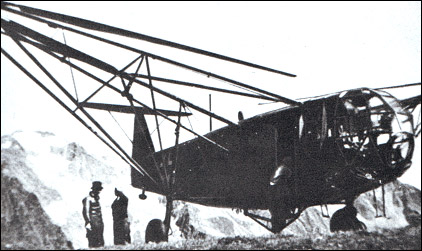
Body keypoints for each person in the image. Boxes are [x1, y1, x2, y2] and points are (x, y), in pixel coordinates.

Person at [82, 181, 104, 248]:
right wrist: (88, 222)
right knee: (93, 242)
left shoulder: (97, 198)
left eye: (99, 190)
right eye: (97, 190)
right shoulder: (88, 199)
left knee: (100, 241)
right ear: (94, 189)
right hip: (92, 222)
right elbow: (85, 212)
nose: (99, 191)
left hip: (99, 222)